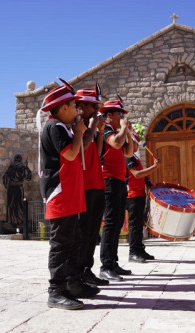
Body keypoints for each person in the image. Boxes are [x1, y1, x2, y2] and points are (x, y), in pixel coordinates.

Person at [38, 79, 99, 311]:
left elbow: (79, 150)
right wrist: (80, 132)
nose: (78, 110)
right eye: (74, 106)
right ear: (63, 108)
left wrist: (81, 132)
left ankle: (73, 284)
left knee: (73, 241)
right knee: (61, 244)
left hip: (71, 193)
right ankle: (56, 291)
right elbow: (72, 154)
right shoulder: (54, 127)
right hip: (60, 193)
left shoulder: (64, 127)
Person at [74, 84, 109, 287]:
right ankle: (79, 272)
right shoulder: (77, 125)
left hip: (96, 182)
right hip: (84, 185)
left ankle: (87, 270)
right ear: (82, 106)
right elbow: (82, 147)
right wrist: (94, 127)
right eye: (92, 106)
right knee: (84, 232)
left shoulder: (91, 127)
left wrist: (100, 132)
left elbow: (96, 151)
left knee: (92, 231)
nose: (97, 110)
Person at [99, 97, 134, 281]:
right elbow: (116, 143)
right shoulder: (106, 129)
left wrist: (128, 132)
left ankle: (113, 262)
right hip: (109, 180)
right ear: (110, 115)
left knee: (119, 222)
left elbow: (129, 151)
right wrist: (123, 129)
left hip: (119, 180)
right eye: (119, 113)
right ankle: (106, 265)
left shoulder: (117, 131)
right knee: (111, 223)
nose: (122, 116)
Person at [126, 136, 159, 263]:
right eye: (134, 142)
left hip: (139, 194)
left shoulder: (135, 157)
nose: (136, 144)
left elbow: (141, 176)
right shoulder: (128, 156)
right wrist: (154, 167)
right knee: (134, 225)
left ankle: (140, 249)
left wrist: (149, 183)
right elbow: (136, 174)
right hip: (131, 195)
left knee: (139, 224)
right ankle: (133, 252)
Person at [2, 154, 32, 233]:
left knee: (19, 205)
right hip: (13, 188)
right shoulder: (13, 167)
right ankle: (13, 222)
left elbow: (29, 177)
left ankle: (19, 221)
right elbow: (5, 176)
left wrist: (26, 167)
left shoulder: (22, 168)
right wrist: (6, 185)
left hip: (17, 188)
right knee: (12, 205)